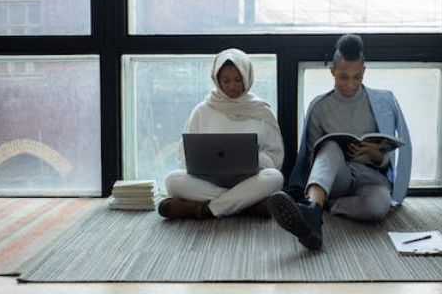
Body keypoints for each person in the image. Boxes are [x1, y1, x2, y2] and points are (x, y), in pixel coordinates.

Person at [267, 34, 411, 250]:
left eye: (357, 77)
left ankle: (319, 208)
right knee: (329, 147)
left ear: (364, 71)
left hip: (370, 178)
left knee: (378, 207)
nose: (351, 84)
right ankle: (313, 211)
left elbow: (386, 161)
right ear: (332, 71)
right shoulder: (320, 107)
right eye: (344, 77)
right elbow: (313, 159)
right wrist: (336, 152)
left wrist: (372, 152)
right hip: (337, 178)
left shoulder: (382, 103)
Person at [159, 48, 284, 219]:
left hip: (248, 180)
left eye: (238, 80)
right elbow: (184, 156)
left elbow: (275, 156)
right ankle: (246, 205)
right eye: (226, 80)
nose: (232, 86)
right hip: (208, 181)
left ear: (247, 78)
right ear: (216, 80)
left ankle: (205, 209)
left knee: (275, 178)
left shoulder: (261, 111)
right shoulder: (202, 111)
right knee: (172, 180)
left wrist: (255, 159)